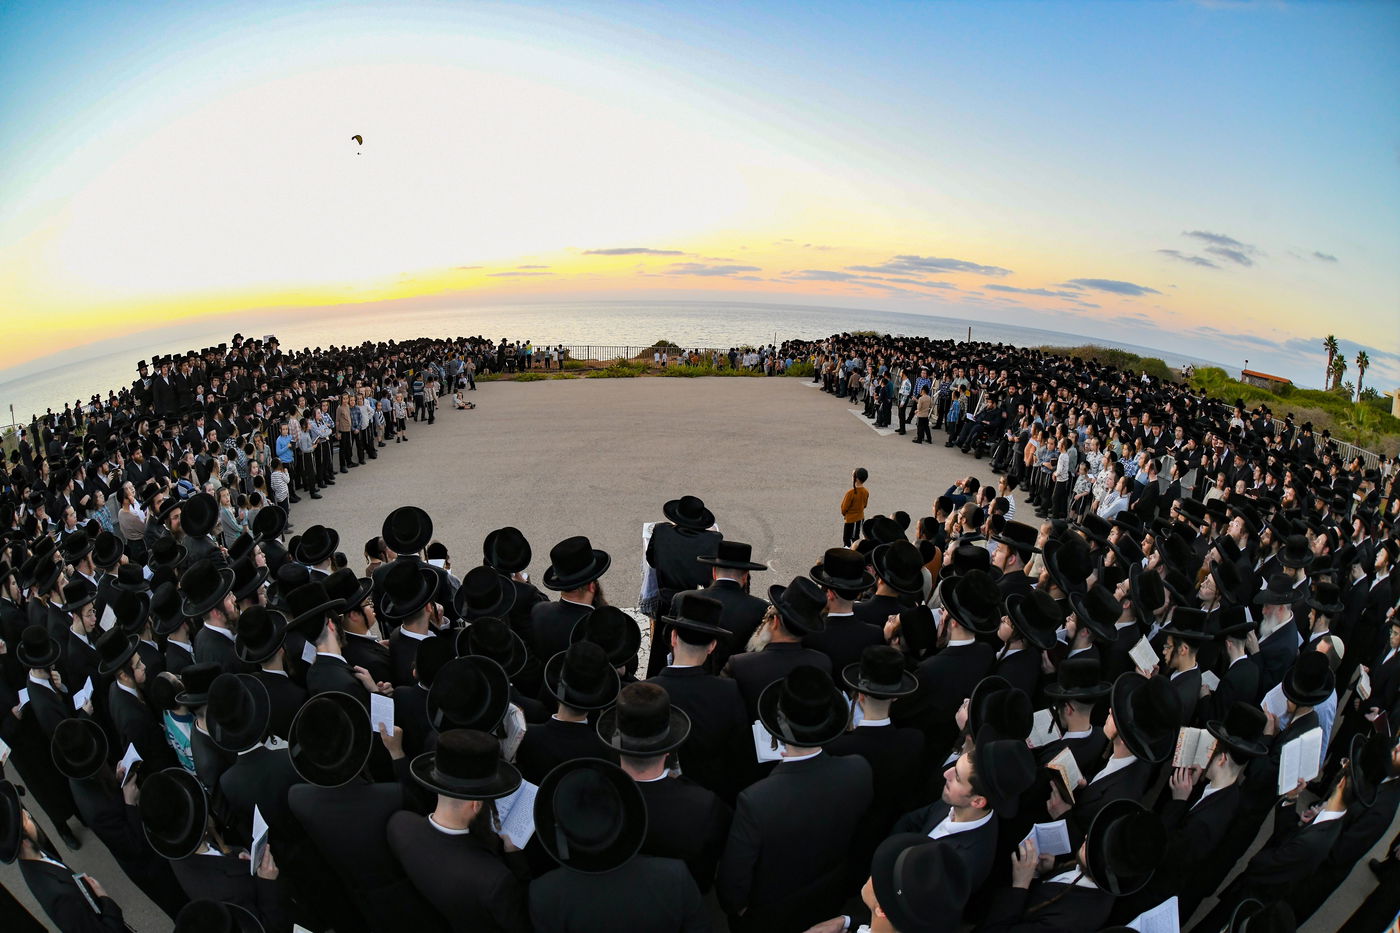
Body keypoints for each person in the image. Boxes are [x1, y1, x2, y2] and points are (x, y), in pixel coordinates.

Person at [717, 665, 873, 932]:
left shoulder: (756, 801)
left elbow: (733, 881)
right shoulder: (859, 769)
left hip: (769, 914)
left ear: (781, 722)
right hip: (827, 899)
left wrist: (737, 907)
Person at [841, 468, 870, 547]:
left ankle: (849, 555)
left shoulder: (850, 493)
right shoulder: (866, 491)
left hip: (851, 519)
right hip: (860, 518)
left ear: (856, 478)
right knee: (855, 537)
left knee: (847, 539)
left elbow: (844, 508)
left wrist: (846, 514)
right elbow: (865, 505)